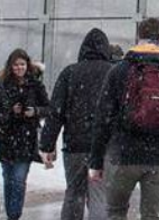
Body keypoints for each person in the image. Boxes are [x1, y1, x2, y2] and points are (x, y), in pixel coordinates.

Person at [88, 18, 159, 220]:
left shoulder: (120, 70)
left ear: (138, 36)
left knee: (116, 212)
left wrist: (96, 161)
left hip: (123, 155)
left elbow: (103, 119)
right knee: (151, 216)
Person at [39, 29, 114, 220]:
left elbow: (56, 112)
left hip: (75, 146)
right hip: (104, 147)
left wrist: (47, 144)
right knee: (99, 196)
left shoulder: (70, 73)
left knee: (74, 194)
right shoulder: (113, 72)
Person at [0, 49, 49, 220]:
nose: (19, 68)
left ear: (28, 65)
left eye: (22, 64)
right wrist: (10, 112)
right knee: (8, 178)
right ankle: (11, 212)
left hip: (26, 137)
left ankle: (14, 215)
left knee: (19, 179)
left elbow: (49, 107)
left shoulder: (35, 85)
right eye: (16, 65)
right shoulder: (2, 84)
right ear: (11, 66)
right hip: (6, 137)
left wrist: (36, 111)